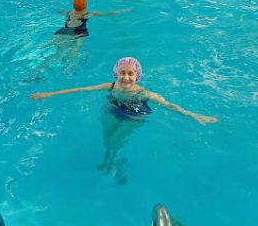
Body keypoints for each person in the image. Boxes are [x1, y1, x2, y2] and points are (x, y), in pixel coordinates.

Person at [30, 57, 218, 183]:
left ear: (137, 76)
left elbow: (170, 106)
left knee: (114, 140)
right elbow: (81, 89)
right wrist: (50, 94)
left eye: (130, 74)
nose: (126, 77)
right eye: (123, 73)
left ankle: (114, 163)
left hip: (134, 115)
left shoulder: (144, 93)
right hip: (113, 109)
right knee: (107, 139)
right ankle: (110, 160)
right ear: (116, 74)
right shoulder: (111, 86)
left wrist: (195, 116)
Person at [33, 0, 130, 75]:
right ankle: (68, 66)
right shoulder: (88, 14)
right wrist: (124, 11)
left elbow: (58, 11)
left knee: (56, 51)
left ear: (73, 5)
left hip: (63, 31)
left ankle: (39, 67)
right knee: (75, 48)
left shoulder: (68, 13)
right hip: (78, 32)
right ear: (86, 5)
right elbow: (108, 14)